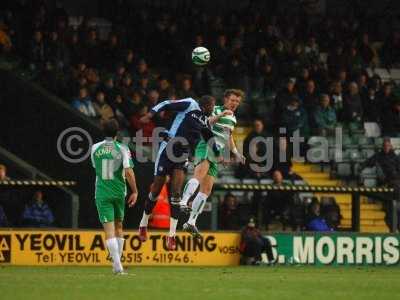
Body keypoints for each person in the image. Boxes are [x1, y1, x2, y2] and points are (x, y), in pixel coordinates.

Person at [138, 96, 229, 250]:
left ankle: (172, 235)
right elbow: (166, 103)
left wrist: (218, 154)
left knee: (176, 194)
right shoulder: (190, 104)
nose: (213, 109)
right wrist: (150, 114)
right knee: (156, 190)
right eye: (212, 106)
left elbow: (209, 137)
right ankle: (143, 223)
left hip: (182, 154)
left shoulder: (205, 120)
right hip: (168, 148)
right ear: (205, 105)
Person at [180, 89, 246, 237]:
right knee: (199, 175)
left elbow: (228, 137)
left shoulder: (233, 119)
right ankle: (183, 201)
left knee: (207, 190)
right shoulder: (215, 109)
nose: (235, 103)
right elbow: (205, 123)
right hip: (205, 145)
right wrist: (221, 115)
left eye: (237, 101)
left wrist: (236, 153)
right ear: (226, 99)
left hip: (216, 152)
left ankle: (191, 222)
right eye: (232, 100)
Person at [90, 119, 138, 274]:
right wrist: (135, 191)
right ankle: (118, 264)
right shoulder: (122, 148)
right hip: (119, 192)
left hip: (102, 193)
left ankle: (117, 265)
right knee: (119, 227)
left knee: (109, 231)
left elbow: (95, 167)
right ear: (117, 132)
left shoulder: (95, 148)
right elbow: (129, 172)